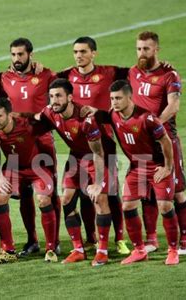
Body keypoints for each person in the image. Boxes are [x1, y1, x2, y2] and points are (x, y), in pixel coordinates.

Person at [57, 36, 129, 254]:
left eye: (83, 52)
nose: (79, 56)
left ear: (93, 53)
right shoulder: (66, 76)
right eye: (76, 52)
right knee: (78, 195)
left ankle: (119, 239)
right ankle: (90, 239)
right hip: (78, 146)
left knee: (109, 194)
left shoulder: (110, 73)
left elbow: (137, 72)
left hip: (104, 144)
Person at [96, 80, 179, 265]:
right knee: (128, 207)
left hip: (156, 166)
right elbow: (99, 116)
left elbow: (166, 141)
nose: (114, 102)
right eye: (111, 99)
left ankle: (173, 250)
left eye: (118, 98)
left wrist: (167, 167)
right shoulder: (113, 114)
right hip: (137, 167)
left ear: (129, 97)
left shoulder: (147, 118)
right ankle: (139, 250)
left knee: (165, 206)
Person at [33, 79, 115, 266]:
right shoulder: (50, 112)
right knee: (67, 199)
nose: (54, 100)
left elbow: (98, 153)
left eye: (59, 96)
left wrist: (98, 182)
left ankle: (102, 251)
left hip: (99, 158)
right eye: (52, 96)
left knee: (100, 199)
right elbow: (35, 117)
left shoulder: (87, 120)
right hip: (76, 157)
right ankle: (78, 249)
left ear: (70, 97)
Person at [0, 38, 61, 257]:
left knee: (48, 193)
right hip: (15, 144)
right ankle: (32, 239)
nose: (16, 59)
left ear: (30, 55)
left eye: (20, 55)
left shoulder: (46, 75)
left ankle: (55, 240)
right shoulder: (5, 78)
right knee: (24, 193)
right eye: (13, 55)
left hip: (41, 141)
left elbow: (62, 93)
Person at [128, 31, 186, 255]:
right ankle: (151, 239)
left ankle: (184, 240)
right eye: (138, 48)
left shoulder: (169, 74)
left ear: (156, 50)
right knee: (146, 190)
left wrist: (155, 125)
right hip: (142, 145)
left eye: (146, 48)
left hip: (166, 139)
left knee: (176, 191)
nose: (141, 53)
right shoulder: (133, 73)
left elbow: (173, 106)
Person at [0, 98, 58, 263]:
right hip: (14, 167)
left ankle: (51, 248)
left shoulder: (27, 125)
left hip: (37, 166)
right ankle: (8, 249)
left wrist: (53, 169)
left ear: (10, 115)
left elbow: (52, 133)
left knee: (44, 199)